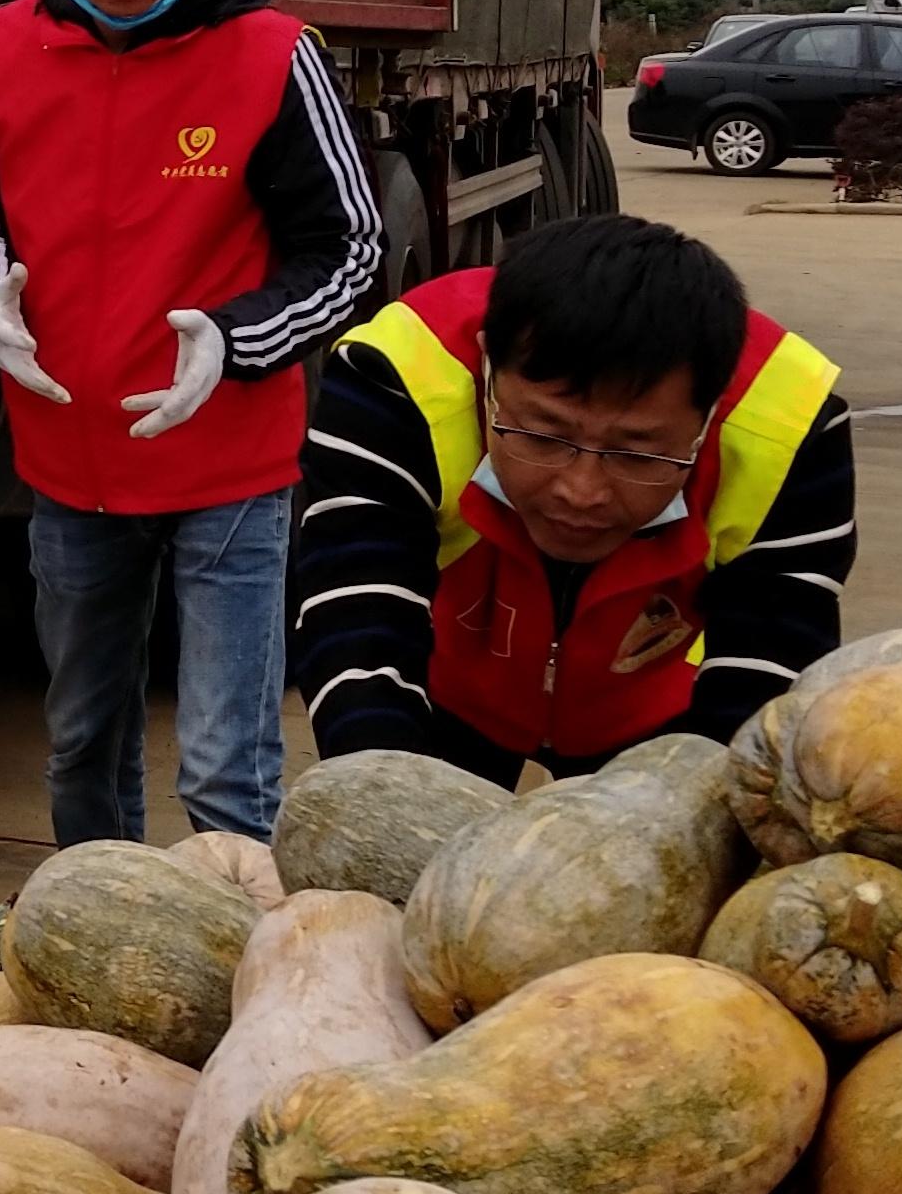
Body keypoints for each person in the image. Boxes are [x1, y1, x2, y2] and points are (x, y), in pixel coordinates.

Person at [0, 0, 381, 843]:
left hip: (227, 464)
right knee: (83, 746)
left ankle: (231, 970)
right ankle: (93, 943)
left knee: (230, 769)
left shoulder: (274, 55)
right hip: (71, 461)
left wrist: (236, 340)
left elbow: (351, 248)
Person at [291, 212, 854, 786]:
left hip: (654, 702)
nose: (581, 492)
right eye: (543, 436)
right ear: (487, 368)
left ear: (711, 411)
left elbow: (771, 659)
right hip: (448, 676)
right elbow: (356, 605)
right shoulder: (397, 377)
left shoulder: (790, 421)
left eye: (638, 454)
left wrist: (709, 824)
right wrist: (376, 794)